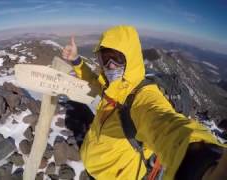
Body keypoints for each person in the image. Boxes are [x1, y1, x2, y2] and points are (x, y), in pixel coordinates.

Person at [62, 25, 227, 180]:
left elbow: (167, 126)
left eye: (116, 58)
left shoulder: (143, 99)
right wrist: (76, 60)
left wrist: (202, 160)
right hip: (94, 168)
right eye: (104, 58)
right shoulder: (113, 88)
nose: (110, 66)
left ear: (131, 58)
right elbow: (93, 81)